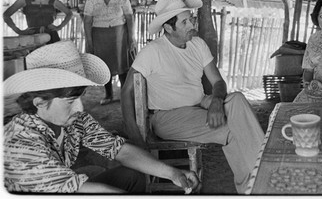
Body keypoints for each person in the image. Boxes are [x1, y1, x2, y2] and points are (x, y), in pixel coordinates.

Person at [3, 40, 199, 194]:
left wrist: (173, 173)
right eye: (70, 101)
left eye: (80, 98)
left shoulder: (75, 121)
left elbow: (120, 151)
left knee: (131, 176)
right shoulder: (20, 143)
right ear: (39, 103)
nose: (79, 108)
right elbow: (76, 190)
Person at [121, 0, 264, 194]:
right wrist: (134, 134)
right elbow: (127, 91)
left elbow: (218, 82)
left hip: (200, 104)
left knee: (238, 100)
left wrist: (216, 101)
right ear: (169, 27)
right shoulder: (152, 52)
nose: (193, 25)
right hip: (168, 116)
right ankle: (253, 187)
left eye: (192, 19)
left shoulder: (197, 45)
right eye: (185, 22)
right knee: (233, 130)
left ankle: (261, 171)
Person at [83, 0, 136, 105]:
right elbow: (87, 21)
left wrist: (131, 37)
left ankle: (125, 95)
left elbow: (129, 17)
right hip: (100, 36)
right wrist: (89, 42)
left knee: (122, 63)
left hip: (119, 34)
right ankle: (108, 95)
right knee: (104, 65)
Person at [3, 0, 73, 44]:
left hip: (51, 36)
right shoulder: (24, 0)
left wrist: (59, 27)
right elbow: (6, 15)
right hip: (32, 36)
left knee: (52, 55)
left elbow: (69, 13)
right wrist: (18, 31)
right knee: (33, 55)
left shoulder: (52, 1)